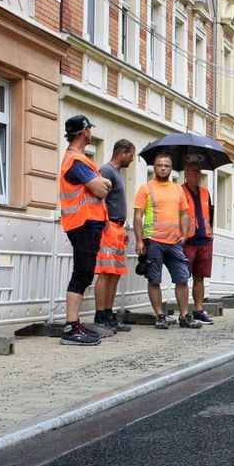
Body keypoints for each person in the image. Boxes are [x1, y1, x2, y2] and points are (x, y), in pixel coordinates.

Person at [58, 115, 111, 346]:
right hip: (82, 223)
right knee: (82, 273)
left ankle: (74, 324)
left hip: (86, 223)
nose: (91, 133)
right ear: (83, 131)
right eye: (89, 129)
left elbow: (101, 185)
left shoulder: (79, 160)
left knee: (85, 272)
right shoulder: (76, 161)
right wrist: (101, 183)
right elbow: (100, 190)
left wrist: (101, 183)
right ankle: (70, 327)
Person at [133, 152, 198, 329]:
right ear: (154, 167)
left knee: (182, 278)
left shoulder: (178, 189)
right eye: (159, 165)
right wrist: (139, 240)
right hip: (153, 241)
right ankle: (160, 316)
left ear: (171, 169)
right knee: (154, 279)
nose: (163, 168)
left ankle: (184, 316)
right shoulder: (146, 188)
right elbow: (138, 216)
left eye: (166, 165)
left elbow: (184, 213)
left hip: (174, 241)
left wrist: (184, 235)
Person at [93, 139, 135, 333]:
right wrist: (106, 222)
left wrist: (123, 227)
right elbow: (98, 198)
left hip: (118, 228)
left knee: (115, 273)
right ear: (122, 152)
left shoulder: (117, 173)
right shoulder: (107, 171)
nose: (132, 160)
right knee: (105, 272)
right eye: (131, 155)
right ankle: (100, 315)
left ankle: (109, 314)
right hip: (108, 228)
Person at [182, 161, 215, 326]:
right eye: (191, 171)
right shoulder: (180, 192)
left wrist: (212, 233)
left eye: (197, 172)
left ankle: (199, 310)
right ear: (185, 174)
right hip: (188, 241)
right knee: (183, 277)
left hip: (204, 239)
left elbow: (210, 214)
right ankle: (185, 312)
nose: (194, 174)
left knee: (200, 277)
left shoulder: (205, 193)